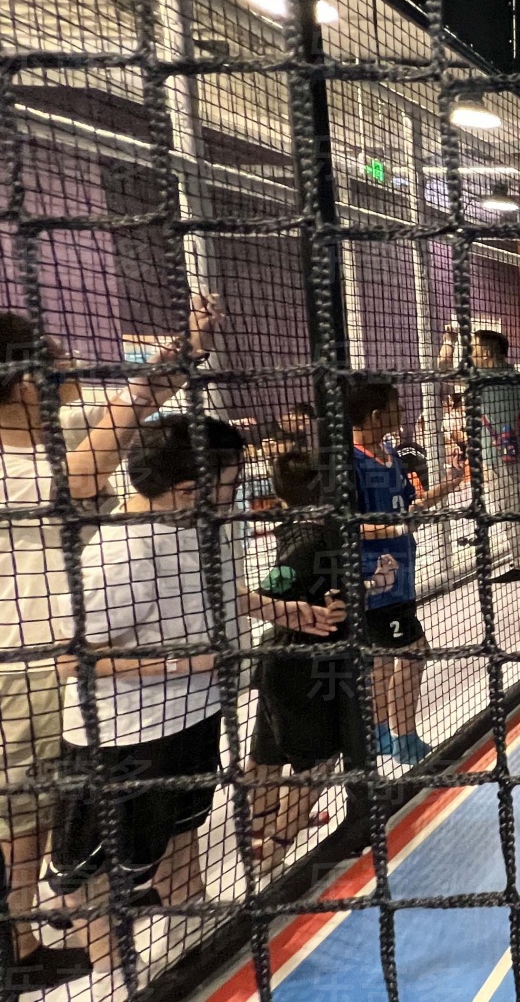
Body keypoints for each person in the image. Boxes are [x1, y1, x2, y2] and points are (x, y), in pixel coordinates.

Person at [47, 415, 341, 969]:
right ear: (183, 488)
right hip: (126, 737)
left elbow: (223, 590)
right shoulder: (120, 552)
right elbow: (72, 660)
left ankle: (194, 928)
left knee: (183, 830)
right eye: (223, 486)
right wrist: (186, 662)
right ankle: (112, 969)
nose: (231, 498)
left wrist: (287, 612)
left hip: (194, 715)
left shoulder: (203, 525)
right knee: (101, 868)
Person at [0, 300, 219, 988]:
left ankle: (94, 902)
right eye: (57, 362)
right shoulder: (17, 462)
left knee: (104, 800)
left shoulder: (63, 426)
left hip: (101, 653)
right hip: (31, 659)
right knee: (30, 814)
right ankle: (25, 947)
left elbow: (135, 401)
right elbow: (85, 477)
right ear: (24, 382)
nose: (71, 368)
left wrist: (185, 350)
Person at [246, 448, 397, 867]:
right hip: (303, 664)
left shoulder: (310, 528)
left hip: (287, 658)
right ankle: (274, 845)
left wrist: (373, 584)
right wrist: (308, 611)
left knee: (269, 749)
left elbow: (333, 592)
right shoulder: (310, 539)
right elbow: (271, 593)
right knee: (316, 761)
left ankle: (261, 825)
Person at [347, 382, 467, 765]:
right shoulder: (349, 463)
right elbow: (346, 526)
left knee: (383, 660)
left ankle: (381, 734)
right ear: (376, 416)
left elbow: (409, 505)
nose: (401, 413)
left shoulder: (389, 454)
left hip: (402, 576)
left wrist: (449, 485)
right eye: (396, 406)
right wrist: (396, 528)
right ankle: (404, 737)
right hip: (375, 580)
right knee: (415, 654)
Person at [439, 329, 520, 583]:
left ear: (486, 353)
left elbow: (442, 369)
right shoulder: (515, 375)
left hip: (501, 458)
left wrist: (449, 341)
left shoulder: (483, 379)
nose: (470, 352)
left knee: (509, 511)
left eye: (473, 347)